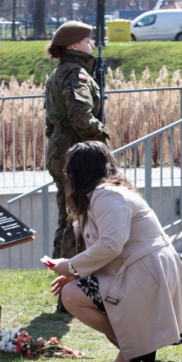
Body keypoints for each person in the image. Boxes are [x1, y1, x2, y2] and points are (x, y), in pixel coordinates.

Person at [46, 141, 182, 362]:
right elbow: (110, 247)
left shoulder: (106, 195)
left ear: (79, 171)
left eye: (70, 168)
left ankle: (135, 347)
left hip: (143, 273)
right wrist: (76, 272)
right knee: (73, 292)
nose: (66, 173)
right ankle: (137, 346)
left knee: (71, 296)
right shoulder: (106, 193)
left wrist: (70, 266)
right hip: (142, 271)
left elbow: (110, 245)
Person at [44, 21, 108, 261]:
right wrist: (102, 136)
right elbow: (80, 116)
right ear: (74, 45)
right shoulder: (75, 73)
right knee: (76, 217)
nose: (91, 45)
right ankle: (70, 272)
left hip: (61, 149)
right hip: (73, 152)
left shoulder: (60, 71)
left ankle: (62, 267)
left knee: (67, 215)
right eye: (87, 41)